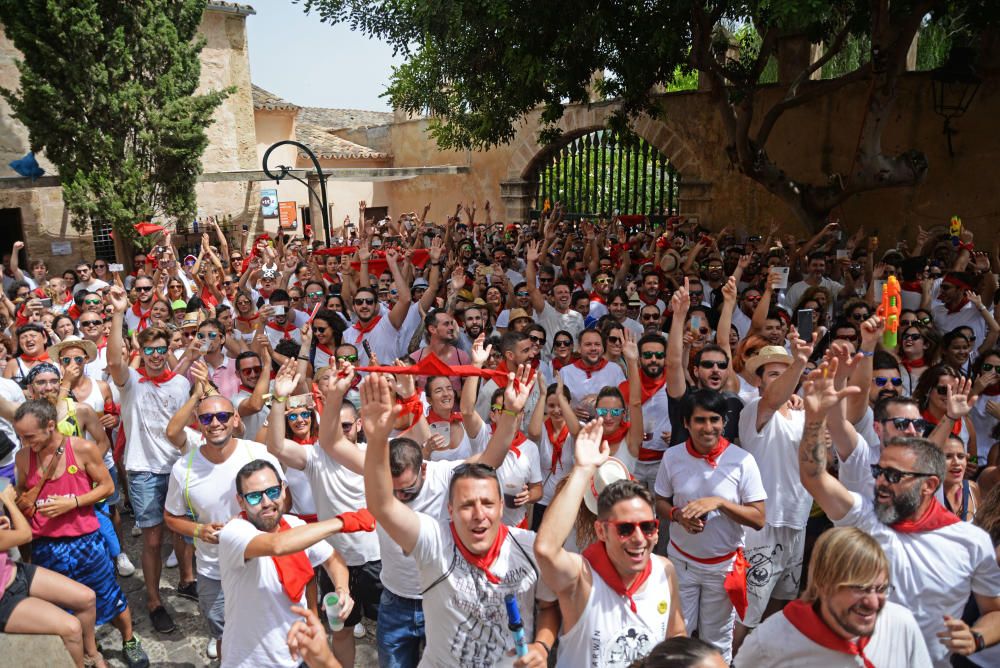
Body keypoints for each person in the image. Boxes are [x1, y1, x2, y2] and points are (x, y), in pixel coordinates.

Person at [798, 358, 1000, 666]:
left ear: (929, 485)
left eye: (893, 476)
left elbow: (994, 610)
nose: (879, 481)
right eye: (880, 471)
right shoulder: (864, 518)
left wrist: (976, 637)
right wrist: (814, 420)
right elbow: (814, 477)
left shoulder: (972, 541)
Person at [362, 371, 559, 667]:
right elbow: (381, 505)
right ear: (450, 510)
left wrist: (542, 647)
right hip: (397, 600)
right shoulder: (434, 540)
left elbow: (549, 606)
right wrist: (377, 440)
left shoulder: (527, 547)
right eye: (467, 505)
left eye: (488, 503)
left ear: (501, 505)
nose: (479, 514)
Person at [534, 419, 685, 666]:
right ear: (601, 531)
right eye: (625, 529)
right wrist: (583, 470)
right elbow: (546, 549)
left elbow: (676, 635)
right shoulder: (582, 578)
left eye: (647, 527)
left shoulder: (664, 570)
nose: (639, 538)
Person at [12, 399, 149, 667]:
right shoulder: (22, 456)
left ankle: (129, 639)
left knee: (107, 594)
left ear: (50, 426)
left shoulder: (83, 449)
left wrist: (72, 502)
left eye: (29, 436)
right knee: (62, 605)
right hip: (45, 546)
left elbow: (108, 487)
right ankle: (89, 646)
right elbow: (21, 494)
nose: (25, 442)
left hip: (85, 542)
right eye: (20, 436)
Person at [164, 371, 285, 661]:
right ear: (198, 423)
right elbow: (171, 517)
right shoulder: (184, 467)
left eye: (222, 416)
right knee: (223, 633)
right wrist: (198, 531)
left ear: (234, 419)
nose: (215, 423)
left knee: (270, 629)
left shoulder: (259, 455)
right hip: (212, 571)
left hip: (263, 563)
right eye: (207, 419)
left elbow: (284, 502)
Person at [218, 458, 371, 668]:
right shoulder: (234, 532)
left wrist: (342, 589)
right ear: (241, 501)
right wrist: (342, 522)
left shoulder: (295, 526)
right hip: (251, 661)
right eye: (254, 497)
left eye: (272, 492)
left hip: (299, 655)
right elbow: (277, 545)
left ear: (283, 490)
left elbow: (333, 559)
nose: (266, 503)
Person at [653, 389, 767, 662]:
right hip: (682, 564)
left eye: (714, 420)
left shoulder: (743, 460)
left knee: (716, 644)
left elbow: (759, 518)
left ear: (724, 421)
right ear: (686, 423)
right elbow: (660, 502)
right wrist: (679, 515)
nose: (708, 428)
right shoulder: (673, 457)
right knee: (675, 640)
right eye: (700, 420)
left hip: (723, 568)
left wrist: (720, 503)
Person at [106, 285, 195, 633]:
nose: (156, 355)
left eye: (161, 349)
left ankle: (187, 581)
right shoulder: (130, 384)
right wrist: (117, 313)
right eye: (150, 350)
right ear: (140, 352)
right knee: (153, 539)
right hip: (144, 471)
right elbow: (114, 361)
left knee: (184, 532)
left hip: (179, 467)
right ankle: (155, 600)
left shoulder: (179, 384)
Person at [735, 527, 932, 667]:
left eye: (881, 589)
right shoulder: (769, 641)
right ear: (823, 584)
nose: (872, 603)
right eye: (859, 589)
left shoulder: (902, 624)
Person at [733, 336, 813, 648]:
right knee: (746, 615)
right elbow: (773, 400)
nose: (782, 380)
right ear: (760, 381)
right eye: (774, 374)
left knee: (780, 605)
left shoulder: (803, 413)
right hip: (763, 525)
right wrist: (800, 363)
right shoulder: (753, 409)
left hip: (798, 520)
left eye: (787, 372)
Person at [0, 473, 112, 668]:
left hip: (13, 572)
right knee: (71, 628)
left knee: (87, 598)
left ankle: (92, 655)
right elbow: (25, 535)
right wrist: (9, 502)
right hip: (3, 600)